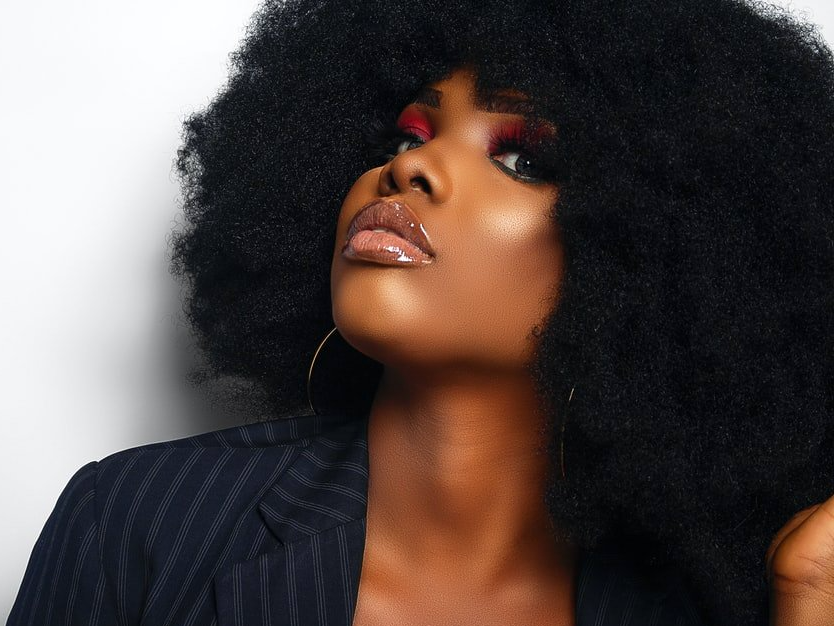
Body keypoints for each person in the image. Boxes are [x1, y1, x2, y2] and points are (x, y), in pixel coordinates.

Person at [8, 0, 834, 624]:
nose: (411, 169)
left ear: (652, 255)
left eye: (522, 158)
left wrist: (808, 597)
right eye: (407, 136)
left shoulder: (711, 600)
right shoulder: (140, 521)